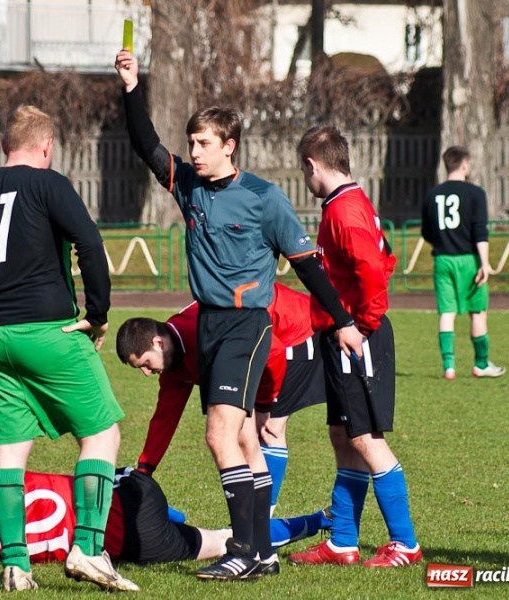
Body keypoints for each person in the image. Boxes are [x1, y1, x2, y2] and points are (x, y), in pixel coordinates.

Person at [114, 50, 363, 581]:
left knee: (219, 436)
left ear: (229, 147)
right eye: (192, 144)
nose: (194, 153)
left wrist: (342, 320)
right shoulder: (188, 186)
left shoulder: (265, 199)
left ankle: (245, 551)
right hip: (208, 325)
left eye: (204, 144)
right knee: (245, 440)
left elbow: (310, 268)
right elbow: (144, 145)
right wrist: (132, 88)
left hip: (246, 326)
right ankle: (263, 553)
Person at [0, 105, 138, 592]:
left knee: (9, 452)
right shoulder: (50, 183)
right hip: (50, 334)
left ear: (3, 147)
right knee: (102, 437)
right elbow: (89, 242)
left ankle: (16, 566)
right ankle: (90, 550)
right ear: (46, 147)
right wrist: (97, 313)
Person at [289, 125, 421, 568]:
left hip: (355, 337)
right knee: (342, 435)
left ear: (312, 165)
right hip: (342, 334)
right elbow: (385, 256)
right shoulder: (349, 202)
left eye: (303, 173)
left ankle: (405, 542)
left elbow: (372, 270)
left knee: (364, 438)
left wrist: (359, 325)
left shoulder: (344, 211)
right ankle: (342, 541)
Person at [116, 283, 326, 518]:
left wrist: (267, 403)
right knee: (243, 432)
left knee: (268, 429)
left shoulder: (202, 332)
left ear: (158, 343)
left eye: (145, 363)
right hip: (266, 344)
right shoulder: (173, 363)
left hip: (295, 331)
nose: (146, 373)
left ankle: (262, 523)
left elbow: (273, 351)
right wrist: (145, 468)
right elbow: (165, 416)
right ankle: (258, 524)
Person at [0, 454, 230, 565]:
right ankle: (172, 515)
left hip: (138, 542)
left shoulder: (24, 555)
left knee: (219, 543)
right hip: (132, 490)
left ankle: (262, 534)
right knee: (103, 474)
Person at [422, 146, 505, 380]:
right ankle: (481, 363)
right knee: (477, 312)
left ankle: (449, 366)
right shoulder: (476, 193)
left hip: (442, 260)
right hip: (469, 259)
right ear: (465, 165)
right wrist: (485, 263)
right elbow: (480, 231)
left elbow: (427, 231)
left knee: (446, 313)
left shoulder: (432, 195)